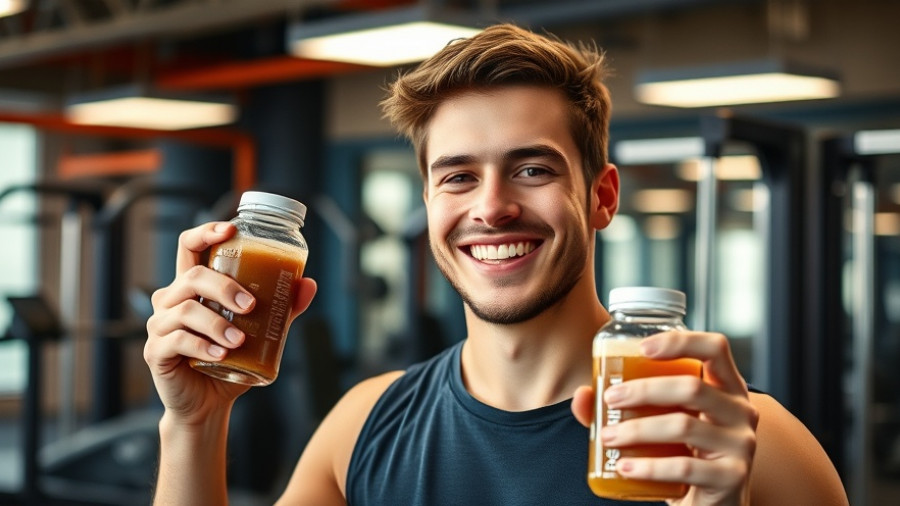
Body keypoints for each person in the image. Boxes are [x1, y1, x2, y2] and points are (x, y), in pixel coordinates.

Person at [144, 23, 849, 505]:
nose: (492, 207)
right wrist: (195, 425)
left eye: (533, 168)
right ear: (429, 204)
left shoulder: (751, 444)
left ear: (601, 197)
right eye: (457, 177)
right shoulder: (362, 425)